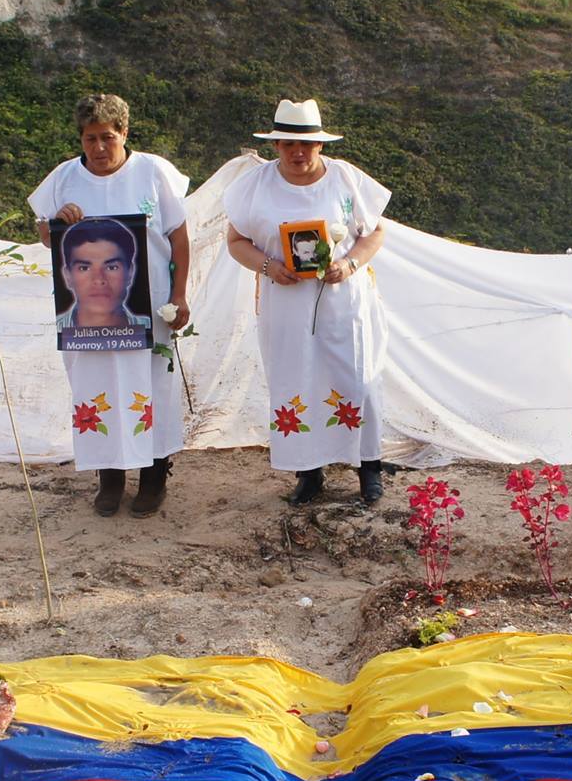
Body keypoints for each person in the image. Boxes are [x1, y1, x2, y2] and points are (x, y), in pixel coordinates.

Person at [27, 94, 190, 518]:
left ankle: (154, 476)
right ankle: (110, 477)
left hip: (147, 304)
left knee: (150, 385)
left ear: (125, 134)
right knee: (96, 387)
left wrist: (179, 294)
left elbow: (177, 236)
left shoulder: (153, 172)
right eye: (90, 138)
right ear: (80, 138)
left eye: (108, 137)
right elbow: (47, 237)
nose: (99, 148)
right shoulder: (64, 178)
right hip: (87, 311)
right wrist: (57, 224)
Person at [222, 98, 391, 506]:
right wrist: (267, 266)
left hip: (344, 300)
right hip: (286, 303)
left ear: (320, 145)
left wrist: (350, 264)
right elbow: (235, 241)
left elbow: (374, 233)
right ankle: (308, 471)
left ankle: (369, 467)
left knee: (357, 378)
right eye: (287, 144)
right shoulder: (255, 185)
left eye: (306, 144)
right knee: (296, 380)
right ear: (276, 144)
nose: (297, 152)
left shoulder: (346, 179)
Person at [55, 217, 153, 333]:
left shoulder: (153, 327)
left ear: (130, 272)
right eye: (84, 268)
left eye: (112, 267)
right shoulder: (51, 332)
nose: (99, 279)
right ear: (68, 276)